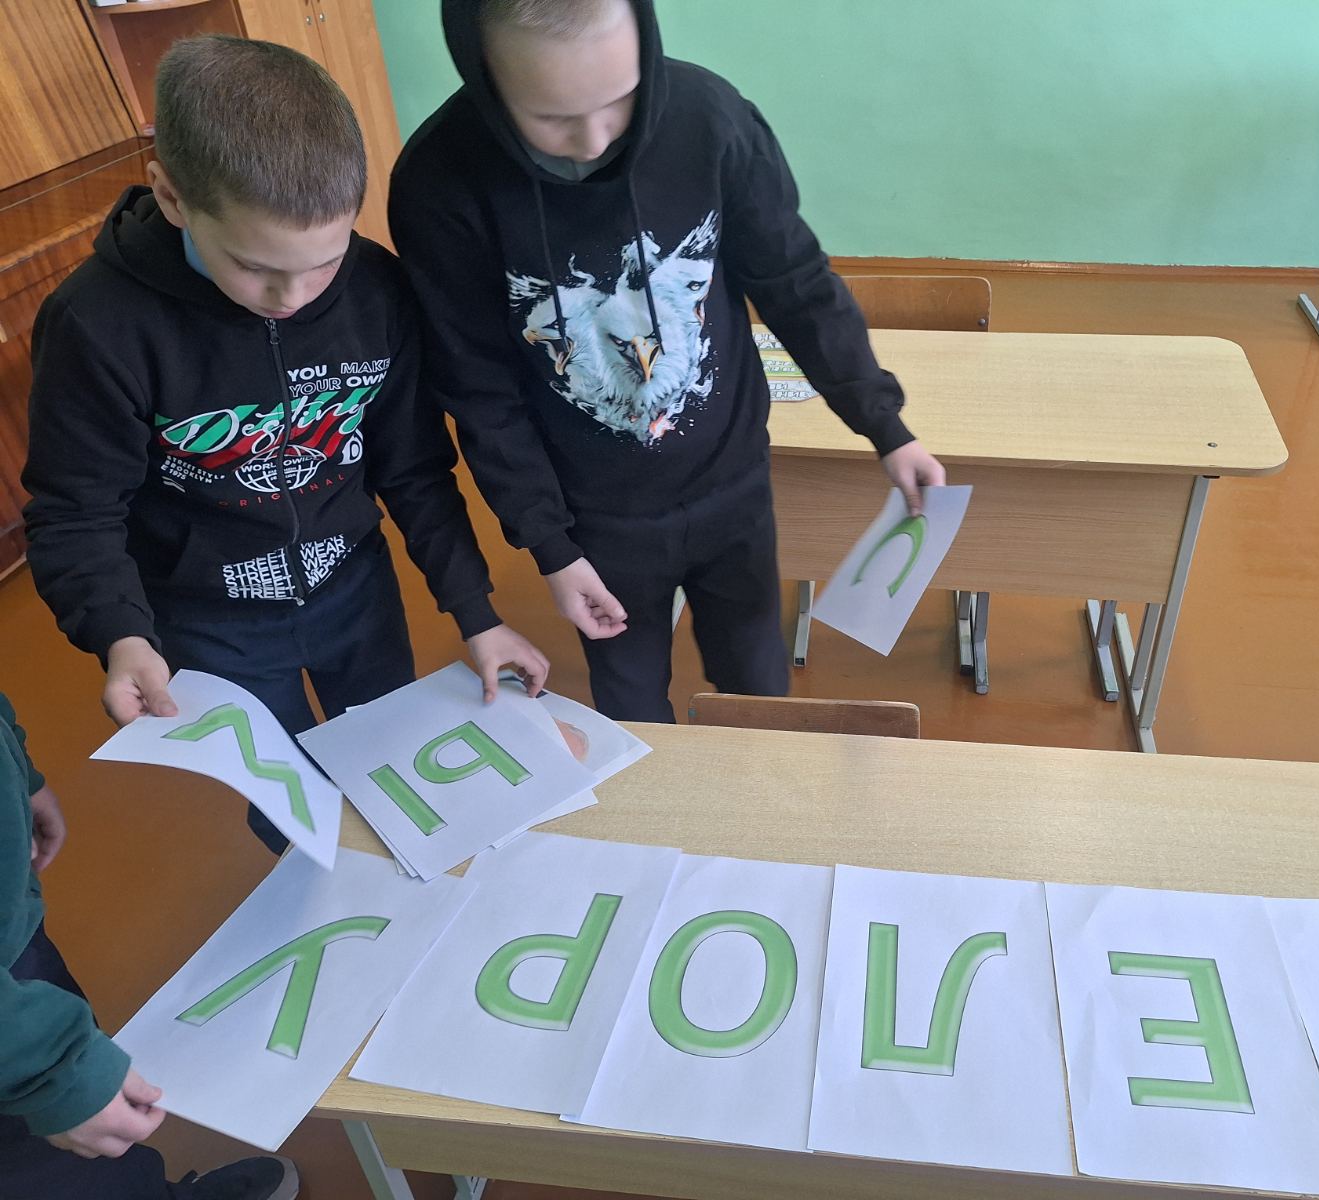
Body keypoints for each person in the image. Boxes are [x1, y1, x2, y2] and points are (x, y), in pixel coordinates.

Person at [24, 37, 551, 849]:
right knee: (292, 813)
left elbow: (414, 467)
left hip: (354, 590)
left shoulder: (375, 290)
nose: (294, 297)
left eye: (323, 264)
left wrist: (476, 613)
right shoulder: (97, 326)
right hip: (210, 619)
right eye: (255, 267)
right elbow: (75, 513)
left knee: (388, 768)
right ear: (170, 195)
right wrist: (121, 633)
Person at [388, 0, 946, 722]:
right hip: (595, 516)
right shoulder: (441, 182)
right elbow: (479, 391)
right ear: (485, 75)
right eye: (551, 118)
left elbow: (794, 281)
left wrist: (883, 423)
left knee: (757, 681)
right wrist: (551, 546)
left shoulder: (709, 120)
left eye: (621, 100)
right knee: (631, 704)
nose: (594, 141)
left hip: (732, 480)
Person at [0, 690, 299, 1198]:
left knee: (87, 1125)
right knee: (41, 1149)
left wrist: (17, 772)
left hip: (14, 943)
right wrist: (48, 1068)